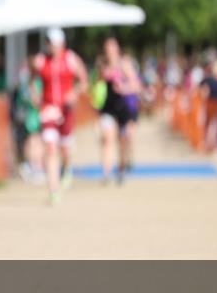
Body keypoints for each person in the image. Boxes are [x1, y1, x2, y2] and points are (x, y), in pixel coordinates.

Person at [32, 28, 89, 205]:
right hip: (49, 110)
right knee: (50, 148)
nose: (52, 47)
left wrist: (74, 93)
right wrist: (36, 98)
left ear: (62, 44)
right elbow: (33, 82)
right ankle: (54, 190)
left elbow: (84, 81)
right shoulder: (41, 61)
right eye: (49, 43)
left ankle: (66, 168)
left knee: (65, 148)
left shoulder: (71, 59)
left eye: (55, 43)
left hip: (66, 111)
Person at [97, 38, 142, 184]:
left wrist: (124, 88)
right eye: (107, 48)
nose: (109, 51)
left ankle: (121, 168)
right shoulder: (102, 66)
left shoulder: (124, 64)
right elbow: (96, 85)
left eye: (112, 48)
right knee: (107, 139)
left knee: (122, 141)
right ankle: (106, 172)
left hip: (122, 107)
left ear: (117, 49)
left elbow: (137, 85)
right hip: (108, 107)